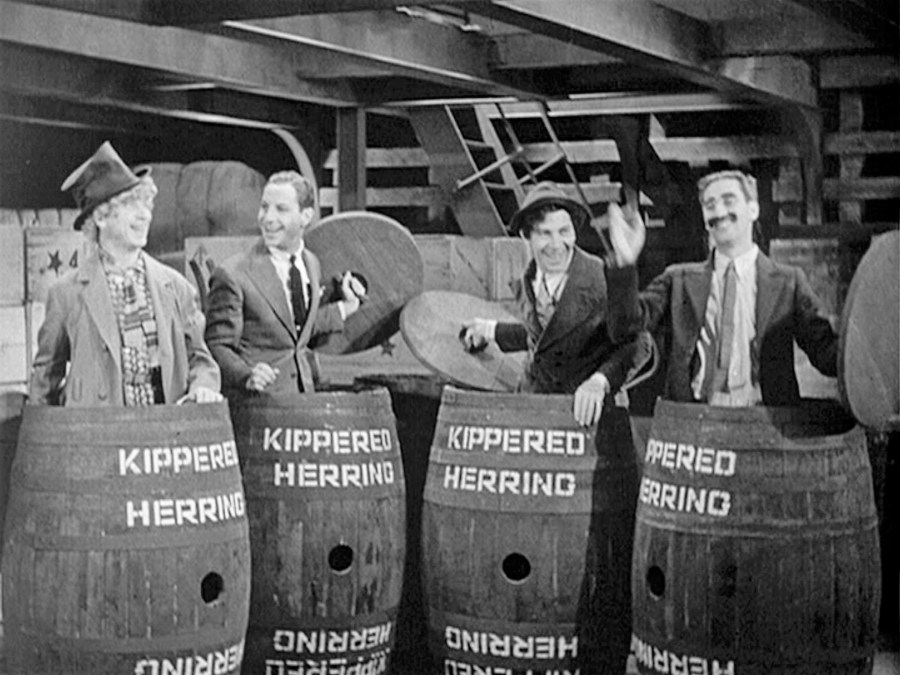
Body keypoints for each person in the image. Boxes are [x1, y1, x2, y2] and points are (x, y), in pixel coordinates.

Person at [605, 169, 838, 407]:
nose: (718, 212)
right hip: (692, 419)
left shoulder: (788, 282)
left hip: (765, 419)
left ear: (753, 209)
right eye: (710, 205)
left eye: (729, 201)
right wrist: (625, 262)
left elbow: (827, 354)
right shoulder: (678, 280)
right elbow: (625, 329)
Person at [30, 141, 222, 406]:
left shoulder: (177, 287)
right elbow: (45, 379)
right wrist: (39, 429)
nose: (145, 216)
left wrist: (203, 388)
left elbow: (200, 360)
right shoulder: (66, 293)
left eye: (147, 206)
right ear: (101, 217)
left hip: (165, 428)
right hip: (97, 429)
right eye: (132, 206)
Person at [461, 181, 646, 427]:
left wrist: (599, 382)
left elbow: (636, 342)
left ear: (575, 232)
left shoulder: (602, 277)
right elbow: (548, 338)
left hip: (585, 421)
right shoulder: (529, 279)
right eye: (545, 233)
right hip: (533, 413)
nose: (557, 245)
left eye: (564, 231)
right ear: (526, 236)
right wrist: (490, 330)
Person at [204, 170, 366, 398]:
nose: (268, 218)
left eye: (281, 209)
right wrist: (246, 375)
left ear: (305, 216)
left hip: (304, 400)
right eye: (264, 207)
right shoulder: (233, 274)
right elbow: (217, 345)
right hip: (257, 406)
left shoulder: (311, 263)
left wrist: (347, 307)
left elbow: (297, 327)